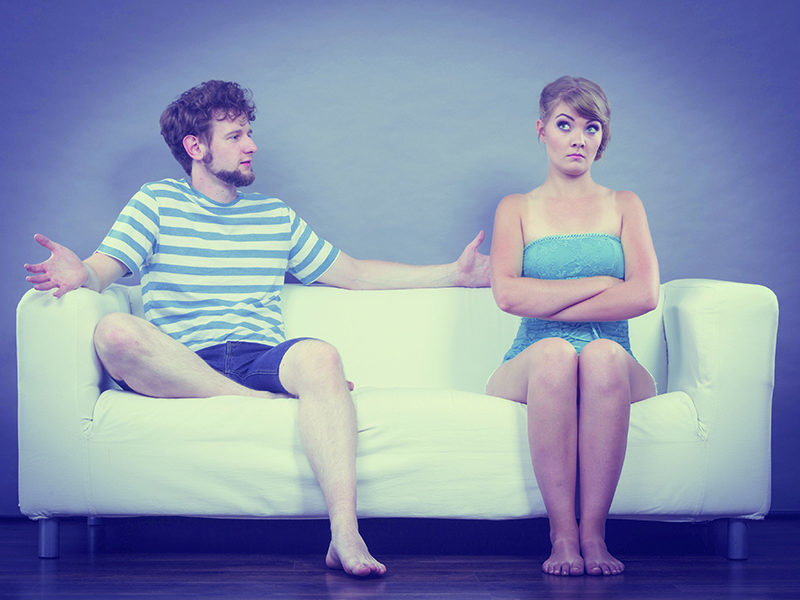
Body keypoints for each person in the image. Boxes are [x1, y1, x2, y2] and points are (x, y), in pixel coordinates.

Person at [24, 80, 490, 578]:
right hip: (180, 360)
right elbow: (101, 271)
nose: (251, 145)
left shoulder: (274, 215)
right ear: (196, 147)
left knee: (320, 357)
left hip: (257, 355)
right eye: (234, 136)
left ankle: (345, 533)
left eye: (249, 133)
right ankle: (260, 405)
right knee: (115, 330)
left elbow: (353, 274)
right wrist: (80, 273)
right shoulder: (155, 202)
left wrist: (453, 274)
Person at [486, 76, 659, 577]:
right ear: (542, 130)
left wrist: (548, 300)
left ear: (603, 137)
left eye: (591, 127)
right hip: (534, 357)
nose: (578, 138)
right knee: (556, 352)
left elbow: (644, 295)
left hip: (614, 356)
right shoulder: (515, 208)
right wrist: (602, 283)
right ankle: (562, 534)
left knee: (600, 356)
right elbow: (508, 296)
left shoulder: (625, 204)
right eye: (565, 125)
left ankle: (594, 535)